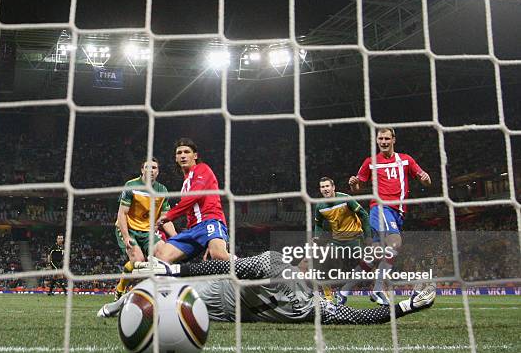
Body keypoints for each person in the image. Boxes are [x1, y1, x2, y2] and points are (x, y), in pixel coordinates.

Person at [98, 251, 436, 324]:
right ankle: (120, 303)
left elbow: (363, 318)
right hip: (219, 291)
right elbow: (229, 266)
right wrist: (175, 268)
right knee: (156, 289)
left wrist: (409, 306)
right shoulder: (275, 265)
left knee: (170, 312)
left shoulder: (318, 306)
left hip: (231, 315)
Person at [349, 128, 431, 305]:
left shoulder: (406, 159)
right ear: (377, 140)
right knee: (395, 242)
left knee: (375, 254)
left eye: (387, 138)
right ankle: (378, 289)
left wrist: (425, 178)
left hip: (398, 212)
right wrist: (354, 184)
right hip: (380, 207)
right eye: (380, 139)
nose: (383, 141)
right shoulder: (370, 162)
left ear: (394, 139)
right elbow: (357, 188)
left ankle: (343, 291)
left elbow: (426, 181)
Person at [153, 138, 229, 263]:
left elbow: (194, 196)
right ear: (176, 158)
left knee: (218, 255)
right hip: (193, 229)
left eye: (186, 152)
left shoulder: (202, 169)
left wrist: (168, 215)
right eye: (179, 153)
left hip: (210, 221)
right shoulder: (185, 183)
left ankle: (251, 270)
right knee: (162, 256)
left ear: (195, 155)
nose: (183, 155)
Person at [113, 158, 177, 299]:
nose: (151, 170)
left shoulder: (162, 190)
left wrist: (176, 237)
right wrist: (126, 237)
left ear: (158, 171)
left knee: (165, 256)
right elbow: (122, 214)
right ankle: (120, 289)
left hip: (148, 232)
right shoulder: (131, 186)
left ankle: (160, 295)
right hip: (129, 229)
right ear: (142, 170)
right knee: (139, 263)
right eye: (147, 167)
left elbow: (165, 219)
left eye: (154, 168)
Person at [313, 177, 371, 302]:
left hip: (355, 238)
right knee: (321, 262)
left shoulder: (345, 199)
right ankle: (328, 296)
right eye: (322, 187)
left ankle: (379, 291)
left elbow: (364, 215)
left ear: (333, 187)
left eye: (327, 186)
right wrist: (318, 236)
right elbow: (318, 223)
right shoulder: (319, 206)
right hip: (337, 241)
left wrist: (368, 237)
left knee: (369, 263)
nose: (325, 189)